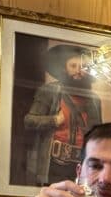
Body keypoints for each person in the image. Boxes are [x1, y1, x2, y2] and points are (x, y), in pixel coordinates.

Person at [24, 44, 103, 186]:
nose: (79, 71)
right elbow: (29, 121)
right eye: (73, 66)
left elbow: (98, 137)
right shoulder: (49, 91)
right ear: (64, 68)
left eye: (84, 67)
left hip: (82, 166)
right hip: (54, 165)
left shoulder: (94, 100)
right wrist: (54, 120)